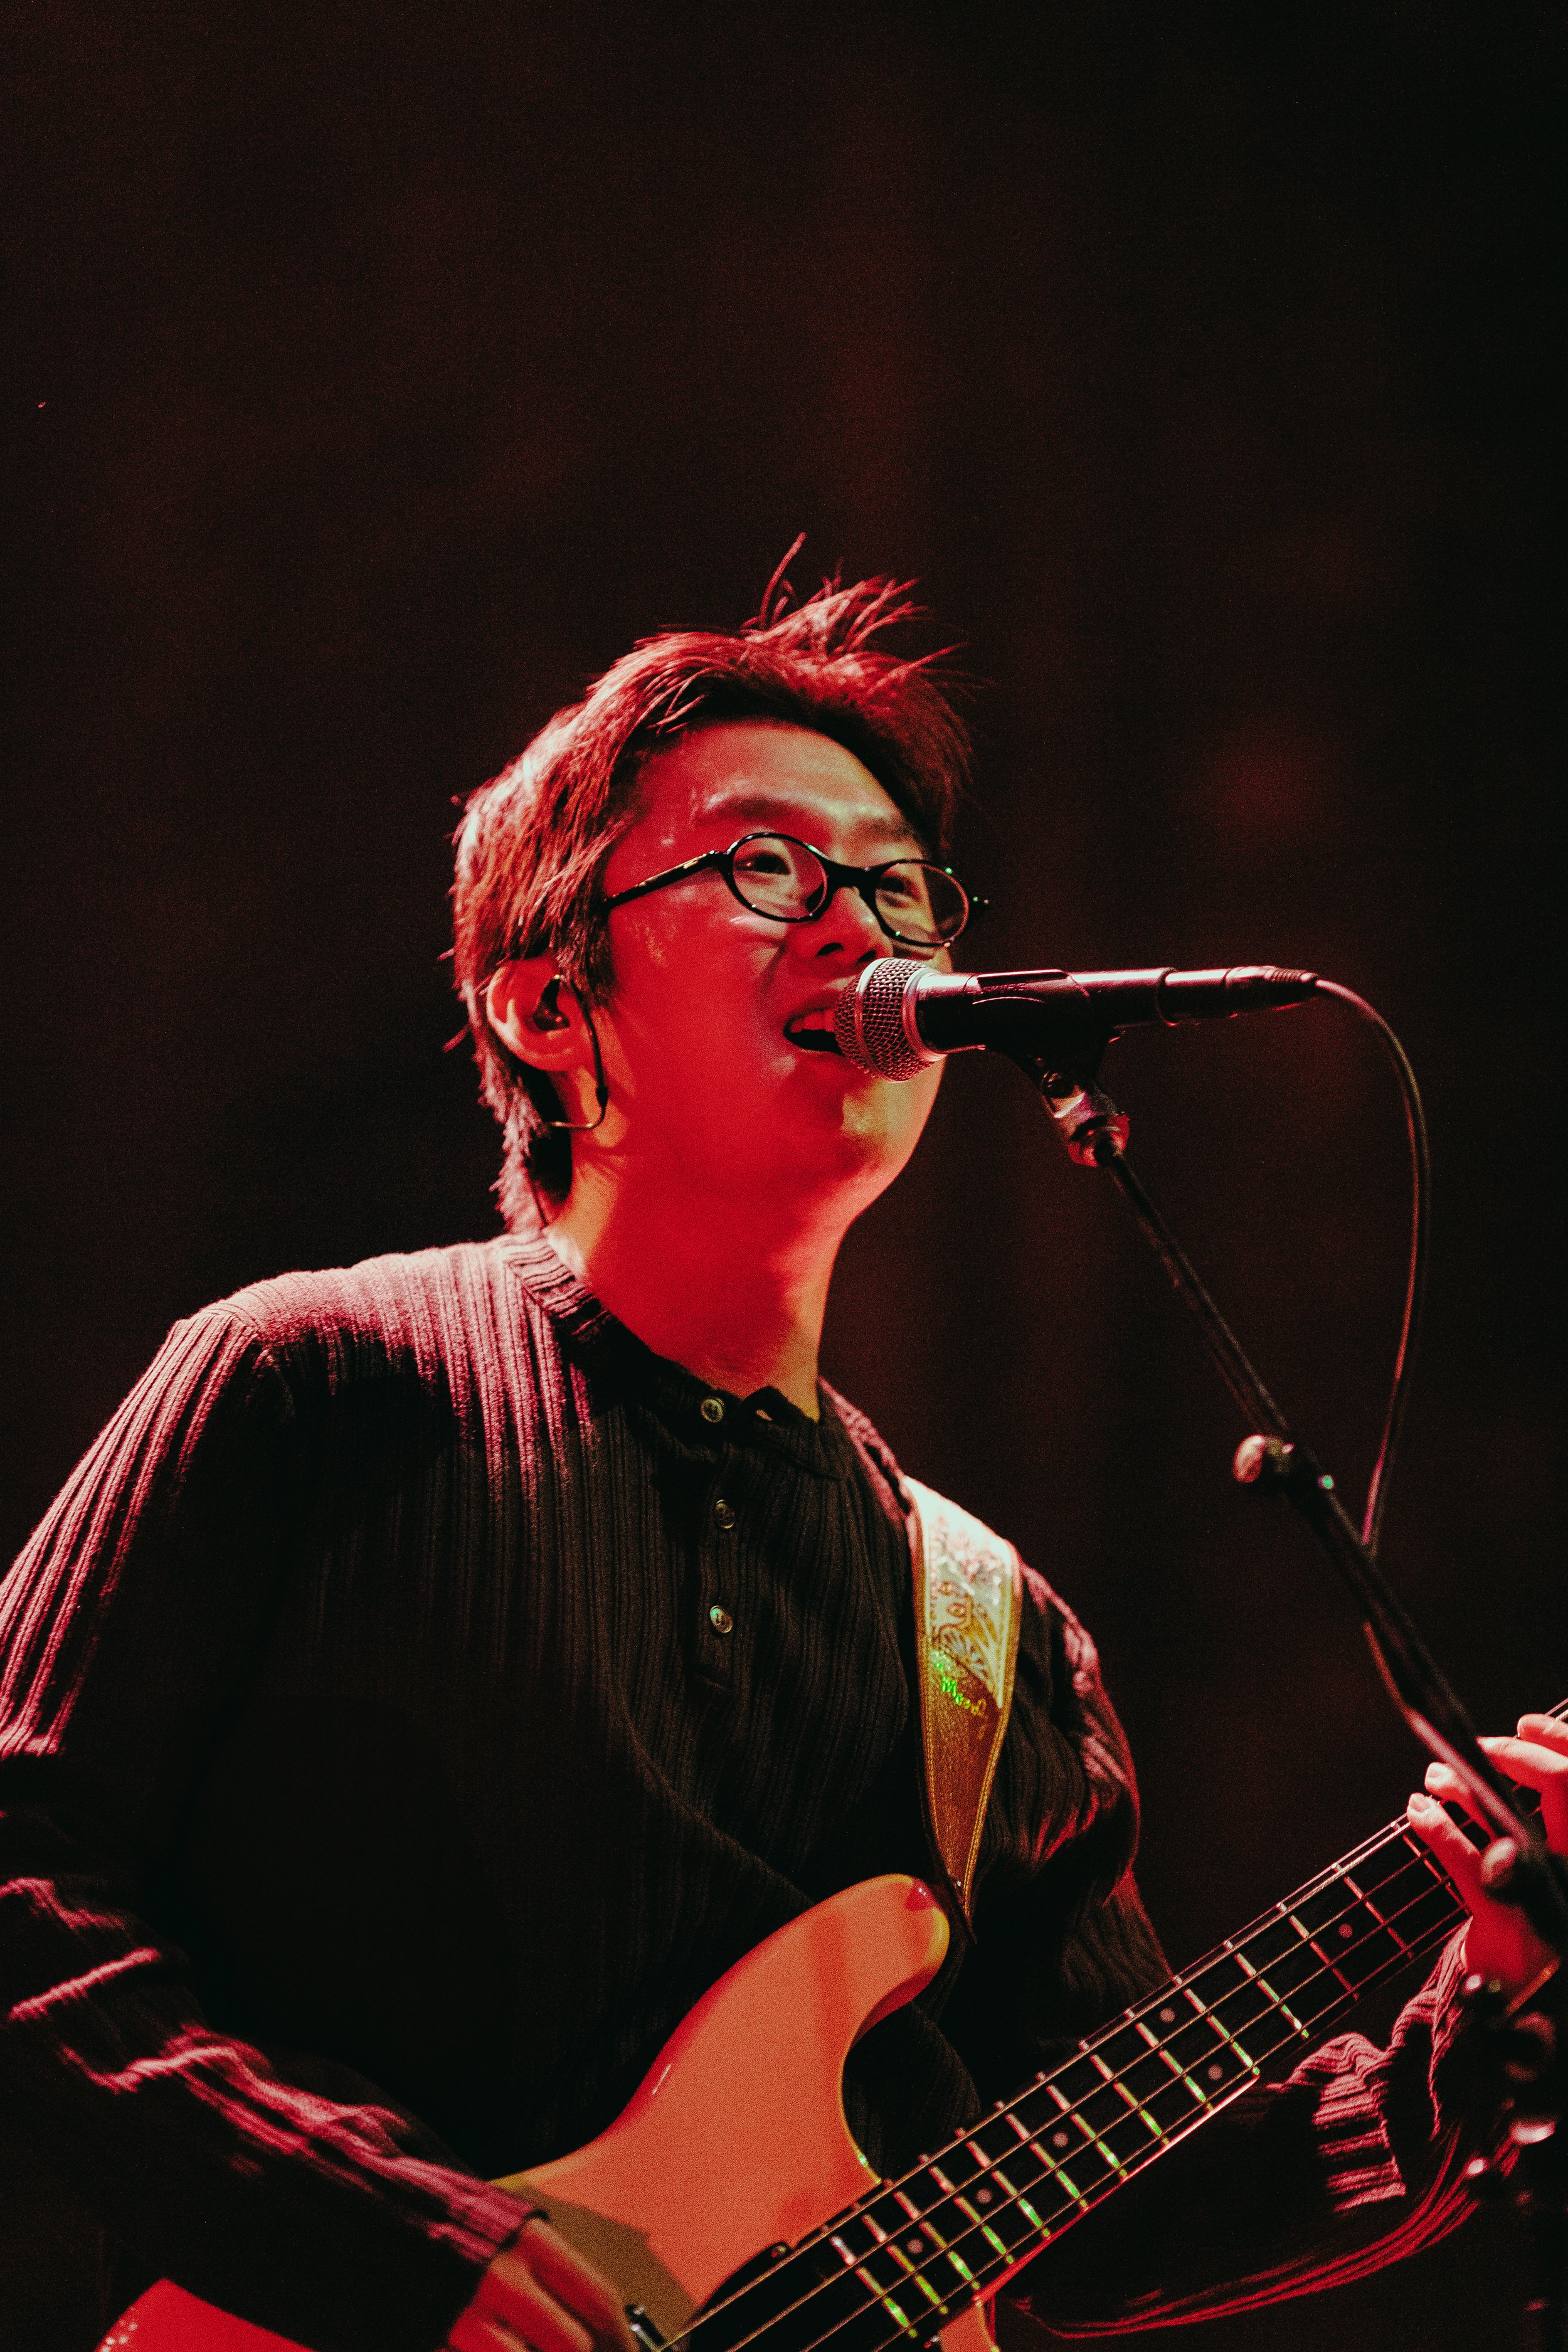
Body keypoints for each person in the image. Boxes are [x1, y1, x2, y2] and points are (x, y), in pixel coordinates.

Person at [0, 576, 1560, 2352]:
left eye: (899, 887)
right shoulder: (317, 1381)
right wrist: (391, 2242)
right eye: (766, 868)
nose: (861, 932)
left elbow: (1102, 2218)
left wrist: (1484, 1999)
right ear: (546, 1006)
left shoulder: (987, 1630)